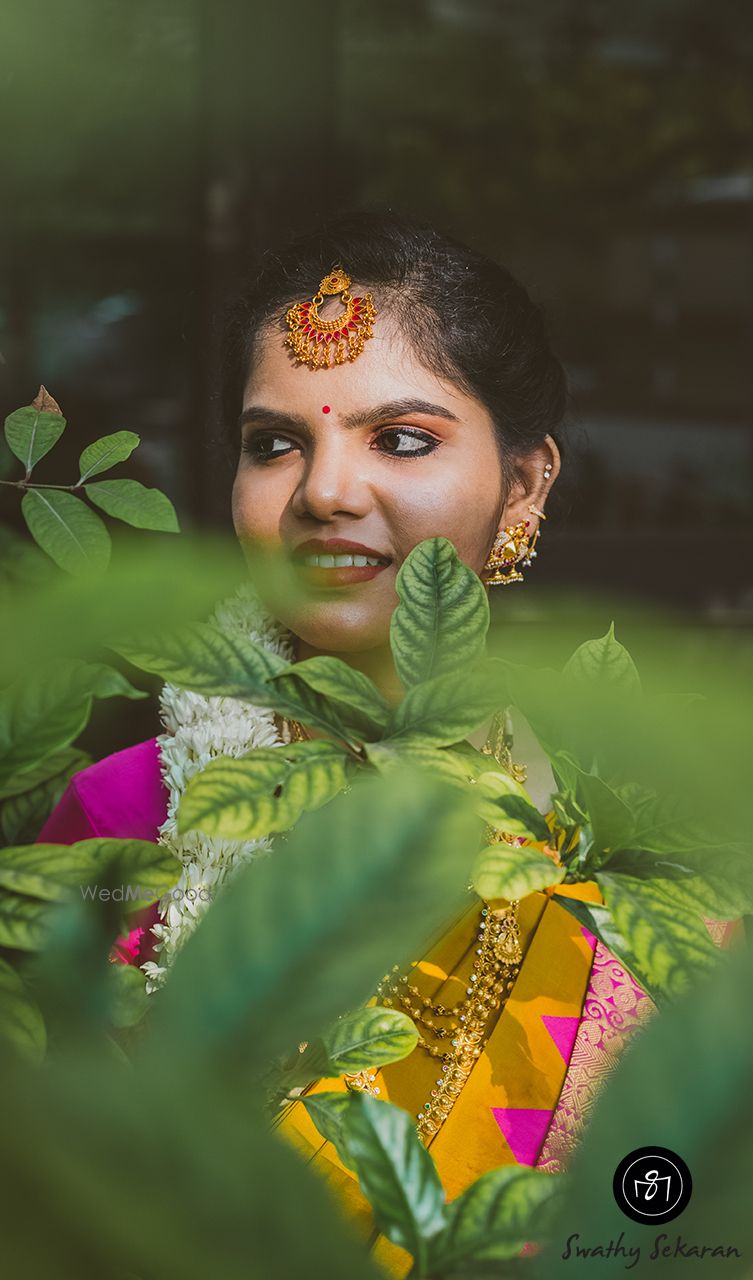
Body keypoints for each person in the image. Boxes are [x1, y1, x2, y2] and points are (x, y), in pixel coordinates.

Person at [39, 213, 660, 1276]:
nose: (324, 491)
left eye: (401, 438)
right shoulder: (119, 820)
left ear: (526, 485)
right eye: (274, 443)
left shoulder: (642, 840)